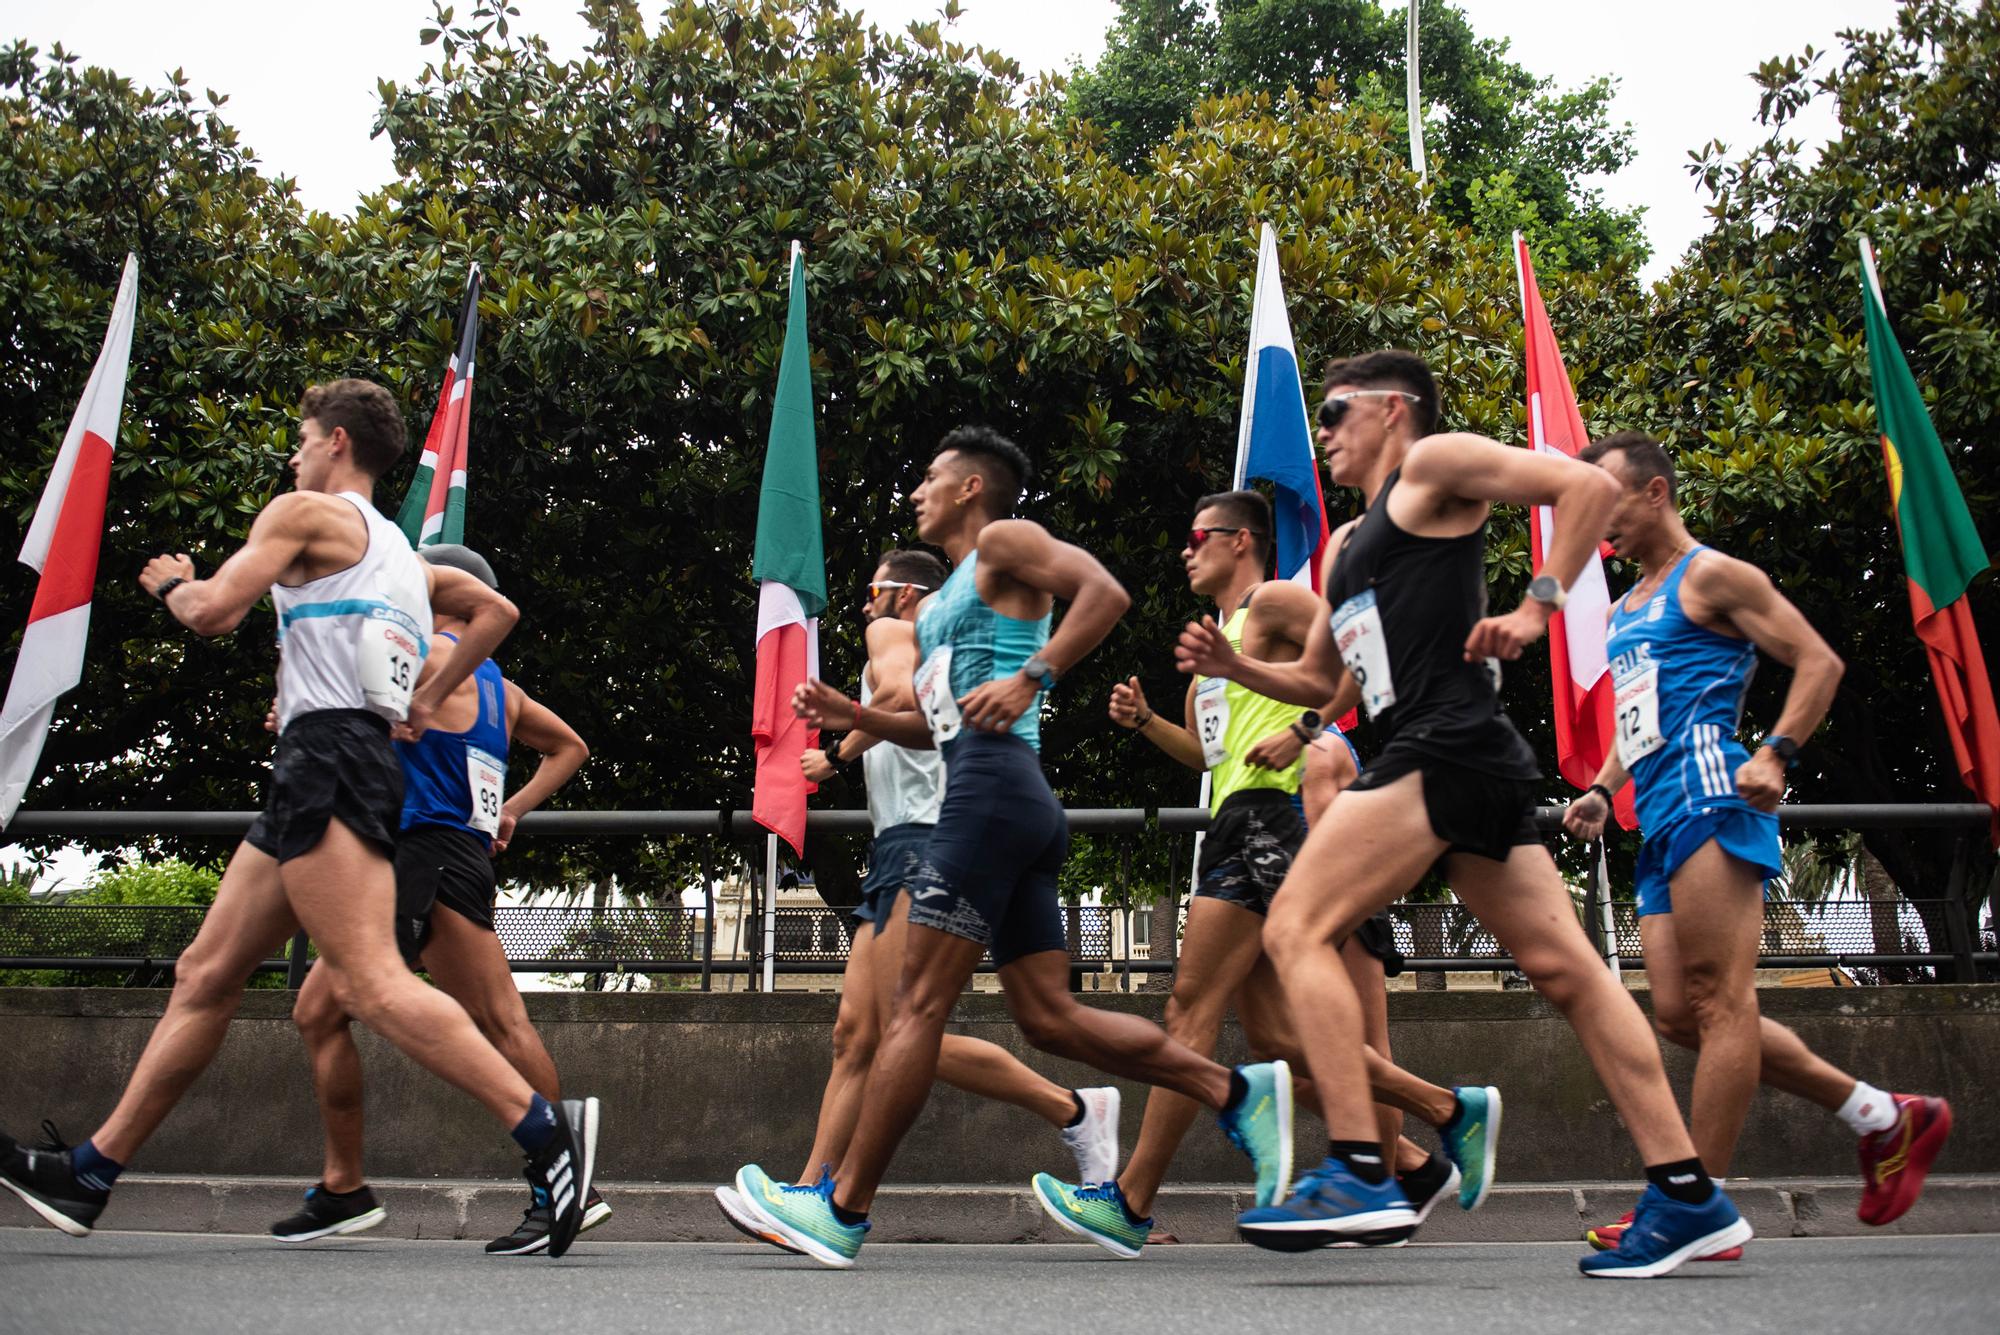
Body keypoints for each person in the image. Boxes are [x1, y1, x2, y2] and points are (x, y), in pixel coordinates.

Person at [1178, 351, 1747, 1277]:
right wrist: (1237, 668)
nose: (1323, 433)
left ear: (1393, 411)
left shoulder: (1434, 465)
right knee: (1569, 969)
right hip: (1461, 754)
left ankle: (1363, 1166)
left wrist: (1538, 604)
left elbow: (1579, 487)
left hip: (1441, 746)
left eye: (1336, 412)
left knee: (1296, 926)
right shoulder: (1351, 543)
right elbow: (1323, 681)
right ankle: (1688, 1193)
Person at [0, 380, 600, 1260]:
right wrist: (414, 698)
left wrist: (175, 583)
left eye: (302, 437)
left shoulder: (302, 513)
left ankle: (547, 1136)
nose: (293, 454)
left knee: (370, 984)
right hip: (325, 760)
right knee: (205, 971)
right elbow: (491, 614)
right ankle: (93, 1169)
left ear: (338, 442)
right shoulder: (398, 552)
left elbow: (215, 612)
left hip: (328, 764)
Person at [729, 425, 1294, 1269]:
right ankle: (1233, 1089)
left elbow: (1103, 591)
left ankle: (840, 1209)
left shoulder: (1002, 540)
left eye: (929, 475)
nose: (917, 489)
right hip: (1001, 796)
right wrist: (858, 719)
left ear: (969, 487)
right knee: (1047, 1015)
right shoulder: (955, 590)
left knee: (915, 1006)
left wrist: (1038, 675)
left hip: (992, 796)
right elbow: (936, 722)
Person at [1030, 490, 1496, 1259]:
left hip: (1273, 820)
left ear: (1241, 540)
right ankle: (1434, 1128)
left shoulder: (1274, 601)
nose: (1186, 551)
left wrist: (1307, 729)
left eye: (1196, 535)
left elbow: (1356, 653)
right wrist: (1149, 723)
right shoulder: (1213, 649)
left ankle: (1129, 1200)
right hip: (1234, 817)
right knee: (1278, 1035)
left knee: (1190, 1006)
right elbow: (1210, 756)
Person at [1564, 430, 1952, 1254]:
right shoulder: (1628, 605)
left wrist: (1777, 751)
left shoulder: (1715, 575)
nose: (1597, 521)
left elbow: (1818, 661)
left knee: (1720, 1002)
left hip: (1715, 794)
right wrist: (1603, 787)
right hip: (1658, 816)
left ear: (1656, 491)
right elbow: (1639, 719)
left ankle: (1691, 1203)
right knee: (1679, 1013)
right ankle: (1885, 1116)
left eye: (1607, 499)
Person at [713, 549, 1120, 1248]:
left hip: (926, 842)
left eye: (873, 589)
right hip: (904, 842)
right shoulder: (943, 637)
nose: (865, 604)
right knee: (860, 1031)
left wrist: (844, 718)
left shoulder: (899, 630)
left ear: (905, 593)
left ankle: (1074, 1109)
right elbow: (912, 712)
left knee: (893, 1028)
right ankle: (810, 1189)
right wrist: (842, 746)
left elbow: (903, 697)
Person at [277, 542, 612, 1255]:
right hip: (454, 851)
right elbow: (572, 746)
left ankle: (563, 1177)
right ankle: (344, 1185)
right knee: (323, 1008)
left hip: (419, 853)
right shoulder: (500, 686)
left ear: (450, 599)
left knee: (498, 1020)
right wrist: (512, 808)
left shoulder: (424, 656)